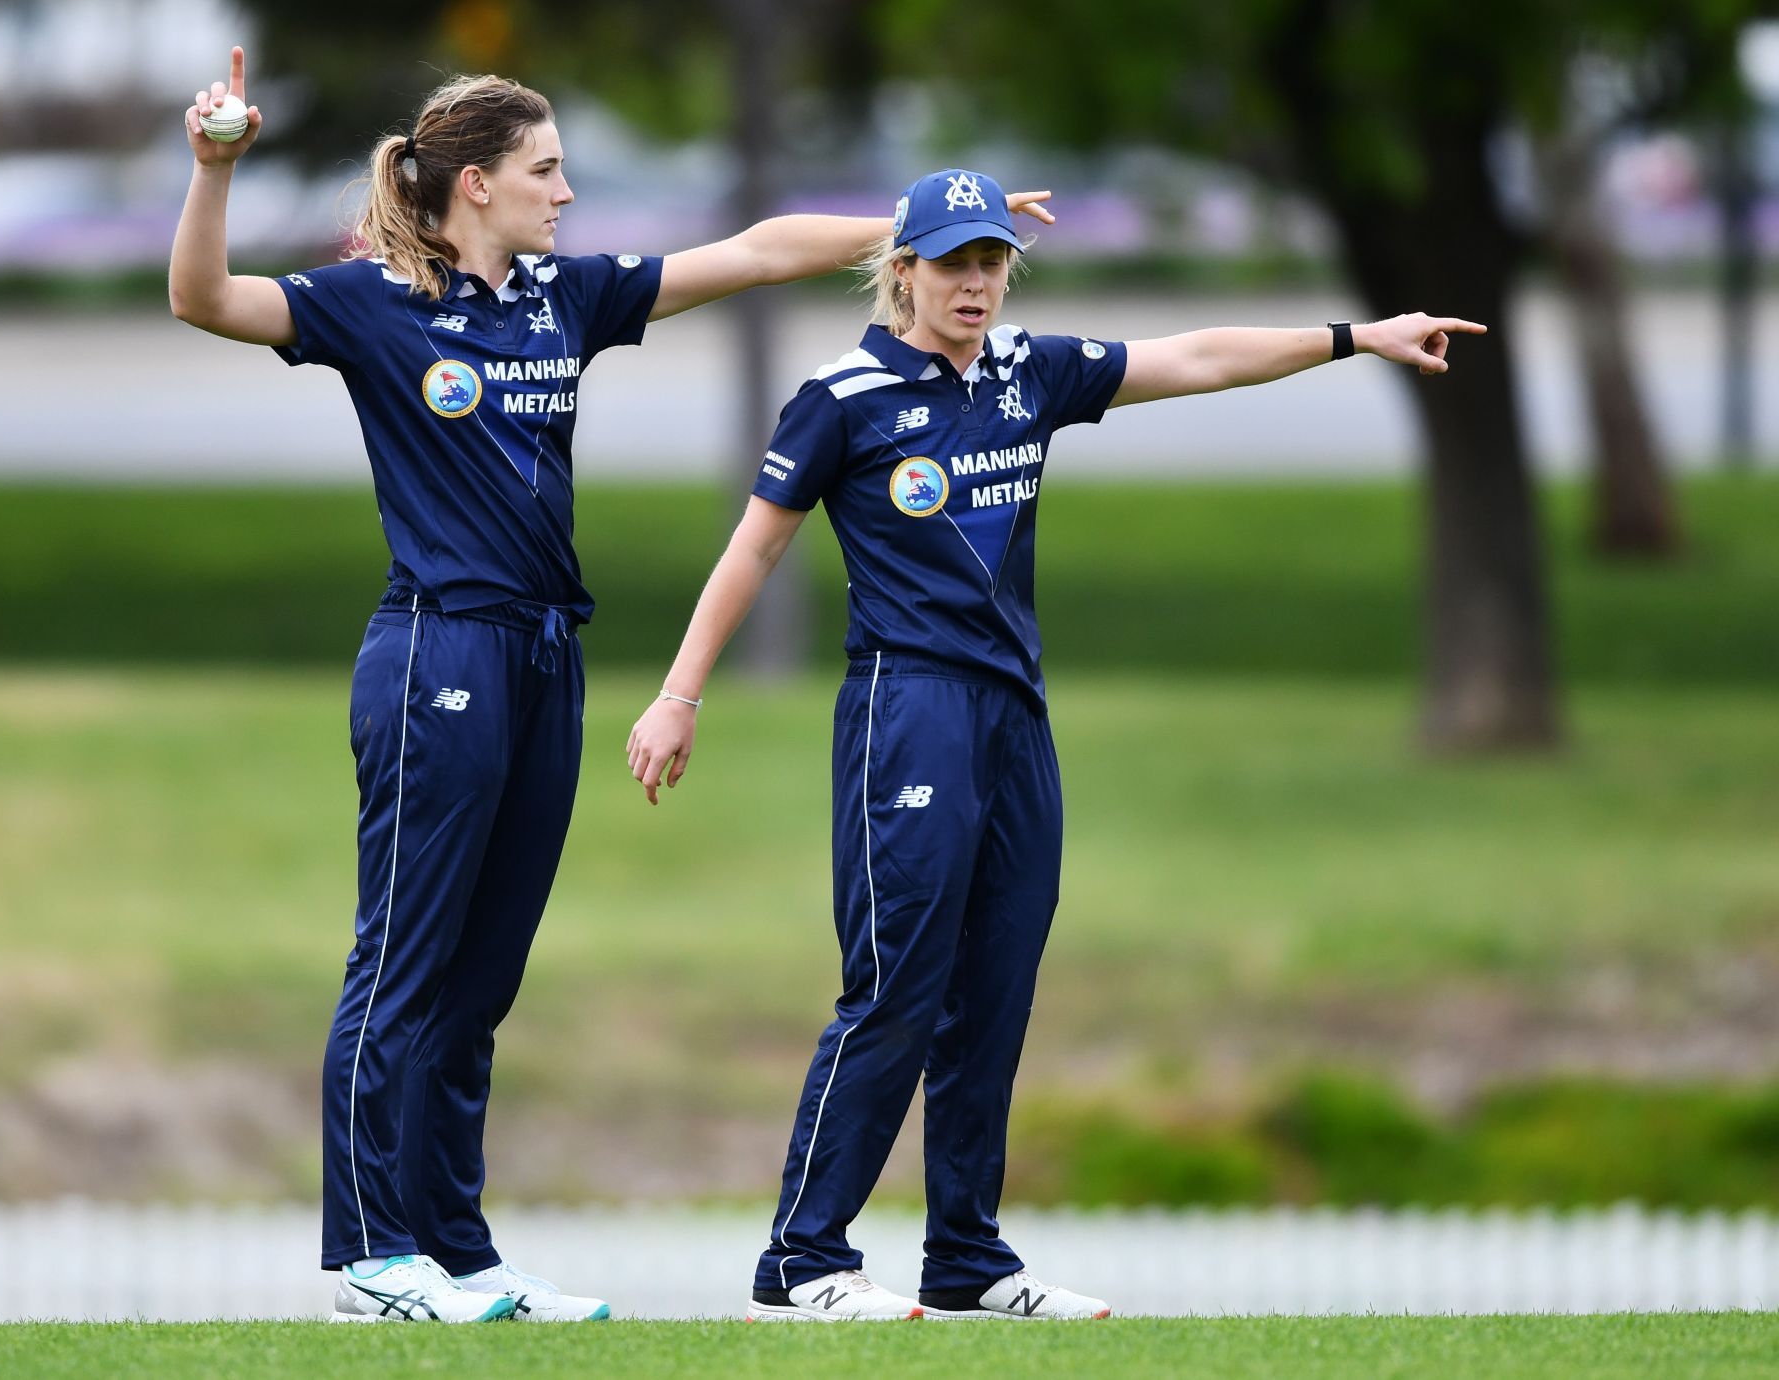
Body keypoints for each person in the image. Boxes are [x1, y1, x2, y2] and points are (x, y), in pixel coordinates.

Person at [170, 48, 1062, 1325]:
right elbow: (202, 298)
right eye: (547, 172)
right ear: (475, 185)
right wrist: (213, 172)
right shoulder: (370, 306)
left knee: (482, 980)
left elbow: (756, 251)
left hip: (545, 657)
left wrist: (917, 230)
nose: (568, 193)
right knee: (405, 962)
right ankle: (373, 1255)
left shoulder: (560, 299)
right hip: (440, 651)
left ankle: (459, 1254)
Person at [625, 167, 1485, 1322]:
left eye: (990, 262)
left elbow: (1194, 358)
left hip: (1014, 716)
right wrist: (679, 695)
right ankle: (802, 1262)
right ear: (905, 269)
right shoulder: (842, 395)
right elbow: (752, 552)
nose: (975, 283)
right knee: (895, 984)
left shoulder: (1032, 371)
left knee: (996, 987)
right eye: (952, 263)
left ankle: (965, 1256)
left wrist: (1354, 337)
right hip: (906, 707)